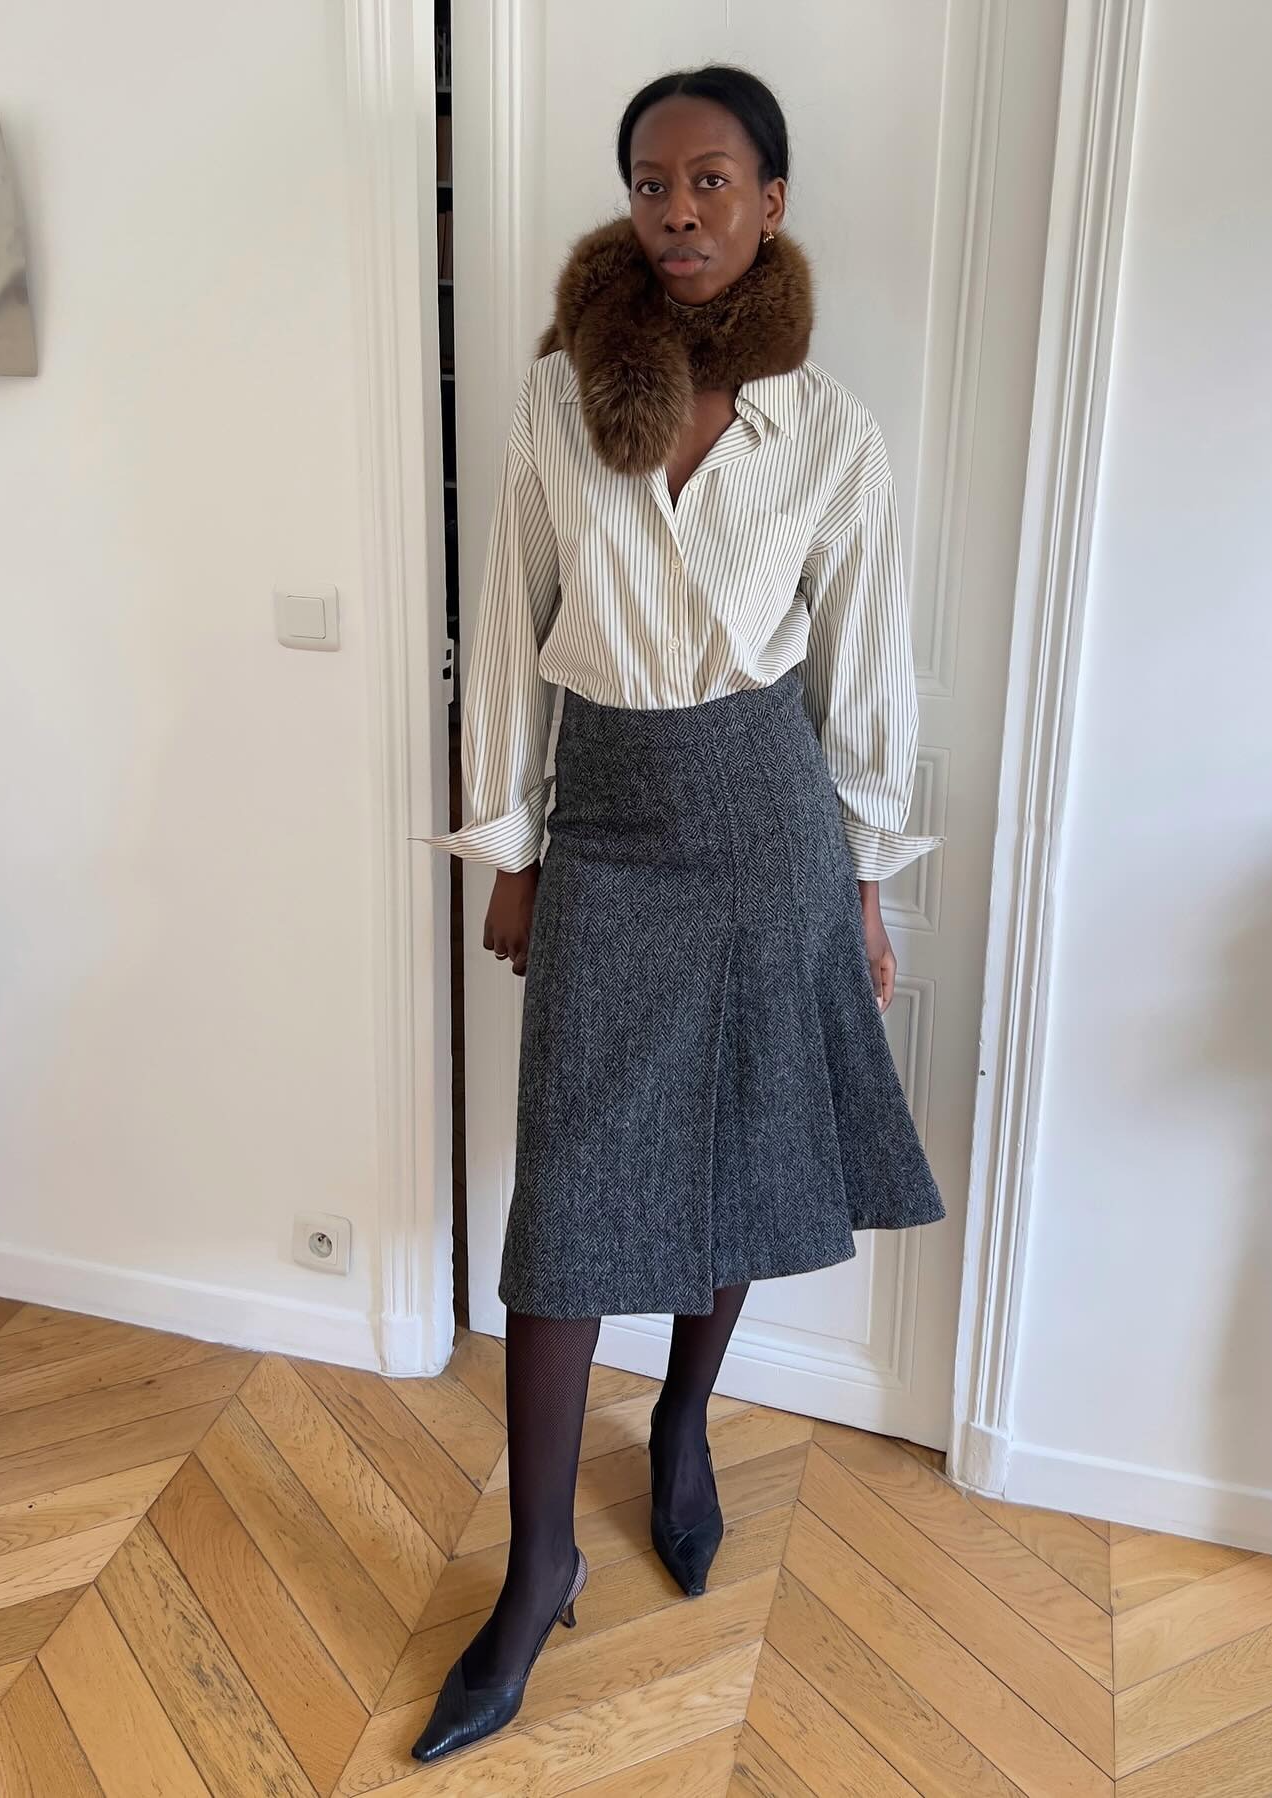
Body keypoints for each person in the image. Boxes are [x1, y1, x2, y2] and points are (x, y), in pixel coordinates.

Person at [408, 62, 946, 1764]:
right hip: (616, 820)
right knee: (570, 1191)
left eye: (714, 181)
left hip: (775, 823)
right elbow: (505, 619)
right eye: (653, 183)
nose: (681, 210)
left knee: (740, 1148)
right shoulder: (561, 397)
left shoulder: (830, 429)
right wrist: (512, 843)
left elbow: (871, 671)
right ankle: (539, 1557)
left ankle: (690, 1423)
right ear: (629, 203)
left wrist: (863, 877)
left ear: (770, 200)